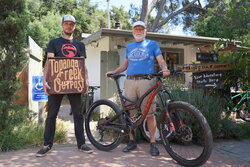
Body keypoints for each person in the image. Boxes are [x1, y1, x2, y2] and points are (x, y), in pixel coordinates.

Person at [106, 21, 170, 156]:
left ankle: (153, 143)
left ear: (145, 31)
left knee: (150, 114)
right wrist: (114, 71)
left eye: (141, 29)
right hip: (130, 81)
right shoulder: (129, 47)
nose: (139, 31)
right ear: (132, 32)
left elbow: (161, 60)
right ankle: (132, 141)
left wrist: (164, 69)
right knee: (131, 113)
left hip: (146, 81)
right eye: (136, 29)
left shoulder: (152, 44)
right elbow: (124, 66)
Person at [36, 14, 93, 157]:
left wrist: (86, 80)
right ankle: (47, 145)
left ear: (74, 26)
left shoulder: (80, 45)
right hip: (57, 83)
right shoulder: (54, 43)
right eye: (66, 23)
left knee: (78, 114)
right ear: (62, 25)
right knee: (52, 114)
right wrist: (44, 80)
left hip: (74, 82)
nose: (69, 26)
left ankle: (82, 144)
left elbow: (82, 65)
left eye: (71, 24)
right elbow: (49, 63)